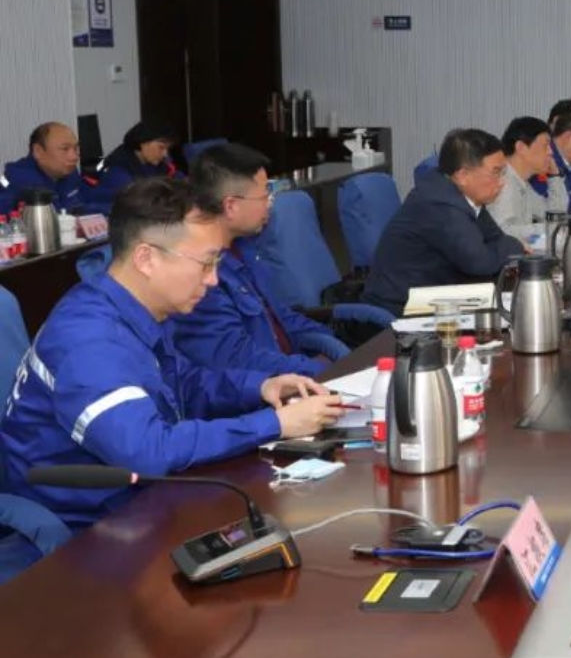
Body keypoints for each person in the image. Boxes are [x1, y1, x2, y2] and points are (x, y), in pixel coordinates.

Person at [0, 179, 344, 527]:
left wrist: (260, 387)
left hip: (141, 498)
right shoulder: (88, 341)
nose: (213, 280)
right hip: (84, 528)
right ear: (146, 259)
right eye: (206, 263)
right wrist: (275, 424)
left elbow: (181, 385)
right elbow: (148, 451)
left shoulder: (134, 307)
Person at [170, 143, 350, 376]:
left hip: (291, 371)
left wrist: (339, 350)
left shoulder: (245, 248)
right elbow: (238, 360)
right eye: (265, 196)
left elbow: (282, 317)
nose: (270, 205)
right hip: (266, 387)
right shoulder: (201, 276)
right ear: (231, 206)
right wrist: (319, 369)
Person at [363, 129, 526, 313]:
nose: (502, 182)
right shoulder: (439, 204)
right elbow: (480, 263)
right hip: (400, 307)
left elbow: (495, 239)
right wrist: (515, 245)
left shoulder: (463, 195)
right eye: (496, 172)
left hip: (434, 294)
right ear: (463, 175)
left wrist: (507, 247)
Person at [0, 121, 112, 214]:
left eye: (76, 148)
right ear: (38, 151)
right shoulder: (17, 181)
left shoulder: (68, 172)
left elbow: (84, 197)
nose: (74, 157)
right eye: (65, 149)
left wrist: (118, 199)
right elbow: (61, 214)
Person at [490, 115, 553, 244]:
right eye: (545, 145)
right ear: (521, 148)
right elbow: (502, 232)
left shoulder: (522, 182)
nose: (550, 152)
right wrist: (546, 228)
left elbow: (551, 213)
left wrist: (555, 176)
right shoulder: (503, 181)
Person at [92, 120, 182, 198]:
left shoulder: (159, 163)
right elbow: (141, 200)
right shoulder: (116, 170)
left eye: (168, 148)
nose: (165, 154)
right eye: (161, 147)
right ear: (143, 143)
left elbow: (182, 183)